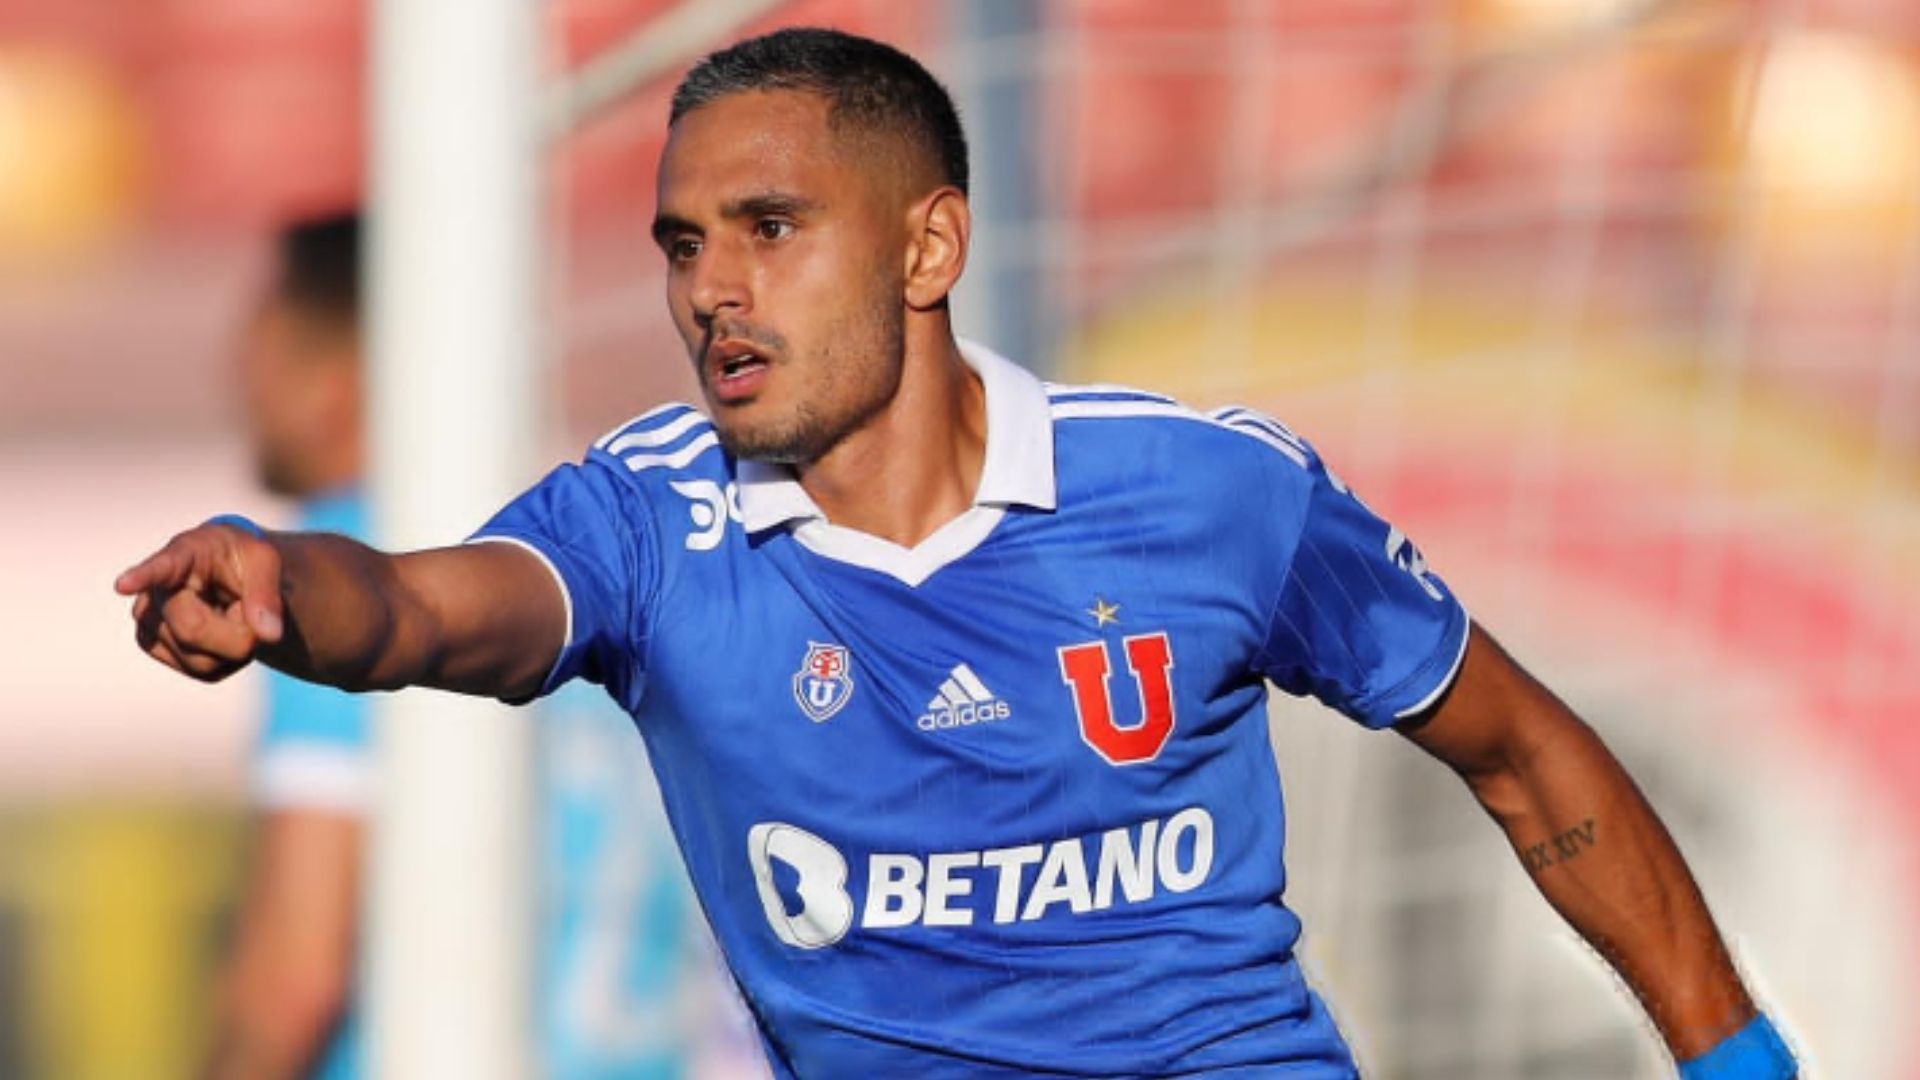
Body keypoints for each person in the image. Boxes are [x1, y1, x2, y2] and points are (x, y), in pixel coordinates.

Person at [122, 28, 1795, 1080]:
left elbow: (1517, 747)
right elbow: (424, 604)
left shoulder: (1210, 496)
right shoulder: (648, 518)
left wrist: (1741, 1061)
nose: (713, 287)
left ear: (929, 244)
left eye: (771, 230)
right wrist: (290, 585)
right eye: (684, 243)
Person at [204, 214, 760, 1080]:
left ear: (340, 371)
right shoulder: (567, 580)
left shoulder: (335, 581)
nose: (239, 379)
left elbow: (295, 979)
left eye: (268, 343)